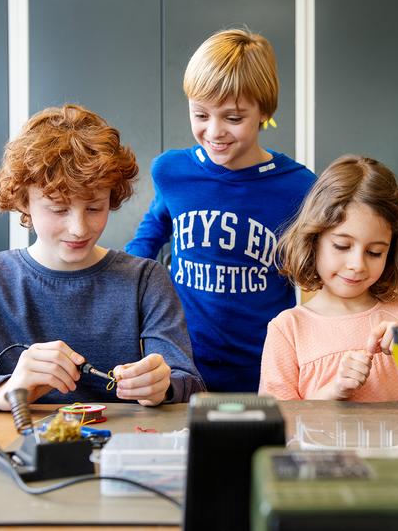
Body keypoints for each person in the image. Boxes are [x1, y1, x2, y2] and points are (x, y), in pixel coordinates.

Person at [0, 104, 205, 412]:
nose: (79, 228)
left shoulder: (146, 279)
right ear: (23, 200)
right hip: (14, 449)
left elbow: (189, 383)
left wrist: (163, 386)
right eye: (59, 209)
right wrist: (6, 390)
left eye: (95, 208)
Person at [125, 28, 316, 392]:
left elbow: (316, 272)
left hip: (265, 367)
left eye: (233, 118)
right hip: (182, 366)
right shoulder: (172, 172)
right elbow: (148, 237)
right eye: (200, 115)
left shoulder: (301, 186)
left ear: (264, 112)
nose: (214, 132)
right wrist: (121, 292)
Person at [259, 155, 398, 401]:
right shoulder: (288, 329)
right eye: (341, 246)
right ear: (313, 240)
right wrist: (333, 391)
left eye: (374, 252)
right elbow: (280, 425)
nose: (357, 265)